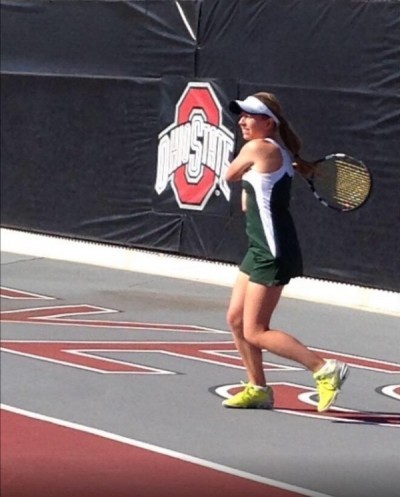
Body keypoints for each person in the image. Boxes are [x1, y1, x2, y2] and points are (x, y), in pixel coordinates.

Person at [223, 92, 348, 412]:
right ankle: (258, 388)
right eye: (241, 115)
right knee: (236, 319)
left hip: (273, 250)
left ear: (269, 122)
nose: (242, 121)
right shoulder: (276, 152)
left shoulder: (258, 148)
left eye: (249, 116)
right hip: (260, 247)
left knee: (255, 330)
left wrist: (245, 172)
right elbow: (247, 201)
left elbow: (229, 175)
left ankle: (324, 368)